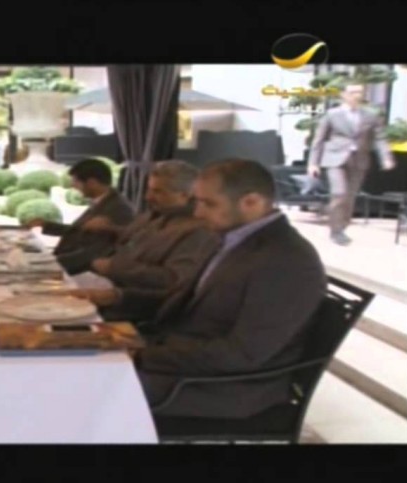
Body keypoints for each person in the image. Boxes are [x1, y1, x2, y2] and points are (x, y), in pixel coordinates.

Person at [128, 159, 326, 419]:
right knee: (82, 366)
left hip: (223, 388)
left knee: (88, 388)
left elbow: (243, 354)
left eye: (208, 204)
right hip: (182, 362)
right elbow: (185, 299)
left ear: (252, 202)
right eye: (197, 202)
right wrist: (117, 304)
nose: (197, 213)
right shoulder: (230, 237)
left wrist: (144, 356)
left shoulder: (287, 260)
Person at [69, 160, 219, 322]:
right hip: (104, 288)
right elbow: (133, 239)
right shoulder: (155, 214)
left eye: (158, 192)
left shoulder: (198, 231)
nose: (147, 197)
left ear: (185, 195)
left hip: (129, 309)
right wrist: (111, 229)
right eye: (149, 189)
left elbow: (173, 281)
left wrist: (115, 268)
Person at [307, 82, 395, 246]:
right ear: (344, 95)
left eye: (360, 92)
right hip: (335, 159)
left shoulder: (370, 115)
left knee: (349, 197)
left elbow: (380, 138)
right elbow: (318, 140)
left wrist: (386, 157)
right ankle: (335, 230)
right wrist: (313, 163)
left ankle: (341, 227)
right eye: (353, 92)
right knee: (339, 193)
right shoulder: (332, 115)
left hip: (359, 161)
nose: (357, 95)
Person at [25, 158, 134, 274]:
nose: (73, 186)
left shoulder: (118, 208)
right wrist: (45, 225)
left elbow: (96, 252)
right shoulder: (103, 201)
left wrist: (51, 263)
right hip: (70, 262)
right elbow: (79, 230)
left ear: (92, 183)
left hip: (85, 272)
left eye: (76, 182)